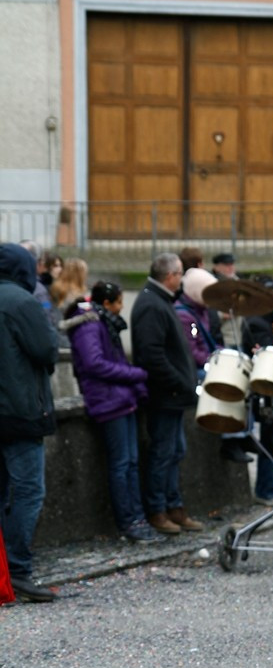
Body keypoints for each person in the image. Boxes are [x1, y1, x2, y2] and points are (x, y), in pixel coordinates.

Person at [66, 281, 160, 543]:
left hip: (119, 399)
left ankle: (136, 518)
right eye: (119, 302)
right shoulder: (90, 324)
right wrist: (135, 374)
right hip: (109, 400)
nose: (121, 308)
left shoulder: (102, 322)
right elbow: (94, 363)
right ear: (107, 304)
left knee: (129, 462)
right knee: (122, 463)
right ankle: (129, 521)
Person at [0, 244, 58, 601]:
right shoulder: (22, 302)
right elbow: (46, 350)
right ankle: (18, 569)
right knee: (28, 492)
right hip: (20, 412)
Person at [130, 252, 204, 535]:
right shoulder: (152, 304)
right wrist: (180, 383)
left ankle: (174, 506)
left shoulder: (159, 300)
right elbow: (153, 356)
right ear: (171, 276)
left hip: (172, 395)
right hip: (165, 395)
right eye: (181, 274)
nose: (183, 279)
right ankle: (158, 510)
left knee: (175, 452)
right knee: (163, 453)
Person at [240, 276, 273, 506]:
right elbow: (269, 350)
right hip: (265, 387)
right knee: (271, 438)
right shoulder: (256, 322)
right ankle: (268, 489)